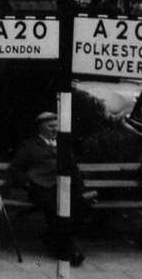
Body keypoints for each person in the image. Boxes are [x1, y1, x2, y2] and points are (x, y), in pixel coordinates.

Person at [7, 110, 85, 266]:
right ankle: (68, 251)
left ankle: (53, 239)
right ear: (41, 128)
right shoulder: (29, 146)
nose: (55, 129)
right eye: (51, 127)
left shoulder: (64, 144)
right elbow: (15, 169)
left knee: (81, 205)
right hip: (40, 188)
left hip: (62, 187)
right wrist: (28, 183)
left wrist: (80, 188)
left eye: (56, 126)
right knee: (53, 209)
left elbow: (73, 168)